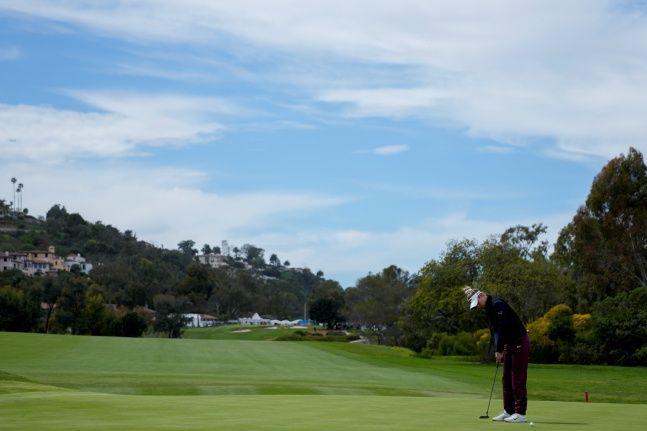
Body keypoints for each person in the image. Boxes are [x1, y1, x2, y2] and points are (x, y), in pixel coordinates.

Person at [463, 286, 530, 423]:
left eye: (477, 303)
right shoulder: (488, 309)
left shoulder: (497, 304)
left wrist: (499, 349)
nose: (478, 307)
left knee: (517, 378)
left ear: (481, 296)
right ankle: (509, 411)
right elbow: (495, 331)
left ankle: (520, 413)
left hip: (519, 342)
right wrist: (497, 350)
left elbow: (502, 327)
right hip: (509, 344)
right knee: (506, 378)